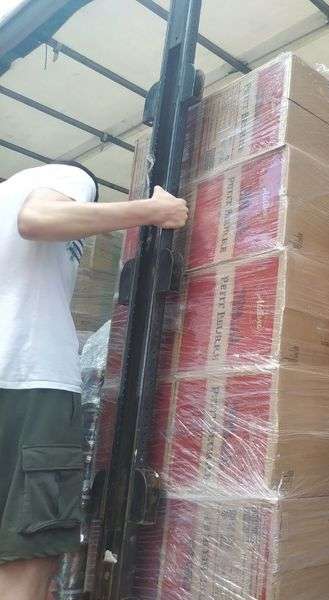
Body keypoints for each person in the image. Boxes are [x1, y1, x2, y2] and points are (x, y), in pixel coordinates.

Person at [0, 162, 187, 600]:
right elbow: (38, 219)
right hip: (27, 383)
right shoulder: (67, 175)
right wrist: (152, 210)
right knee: (29, 554)